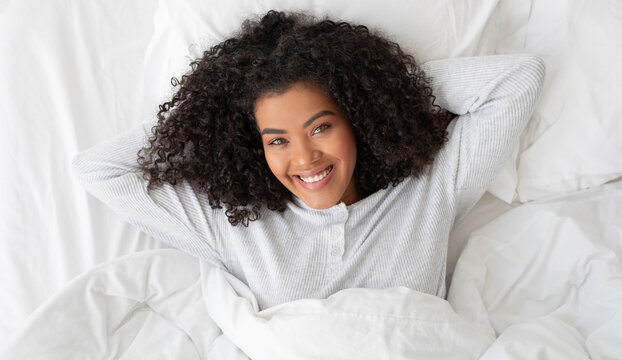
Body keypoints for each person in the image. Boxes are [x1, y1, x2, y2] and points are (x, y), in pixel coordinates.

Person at [72, 10, 545, 309]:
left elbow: (518, 80)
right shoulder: (236, 227)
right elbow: (101, 170)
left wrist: (380, 86)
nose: (304, 157)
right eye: (276, 140)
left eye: (321, 127)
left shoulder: (429, 190)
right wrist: (205, 114)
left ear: (357, 118)